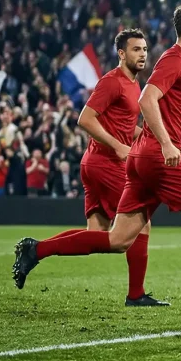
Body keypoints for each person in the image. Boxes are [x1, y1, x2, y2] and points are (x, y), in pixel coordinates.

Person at [12, 2, 181, 323]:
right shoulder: (175, 59)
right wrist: (166, 143)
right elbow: (147, 99)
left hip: (141, 158)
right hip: (158, 158)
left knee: (118, 240)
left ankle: (37, 250)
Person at [74, 28, 166, 306]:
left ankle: (36, 250)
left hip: (94, 162)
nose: (142, 54)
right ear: (121, 54)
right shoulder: (112, 81)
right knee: (141, 223)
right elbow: (85, 119)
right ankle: (136, 295)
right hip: (106, 162)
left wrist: (154, 138)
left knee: (97, 235)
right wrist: (117, 146)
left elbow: (126, 127)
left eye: (145, 49)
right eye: (136, 49)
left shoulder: (134, 85)